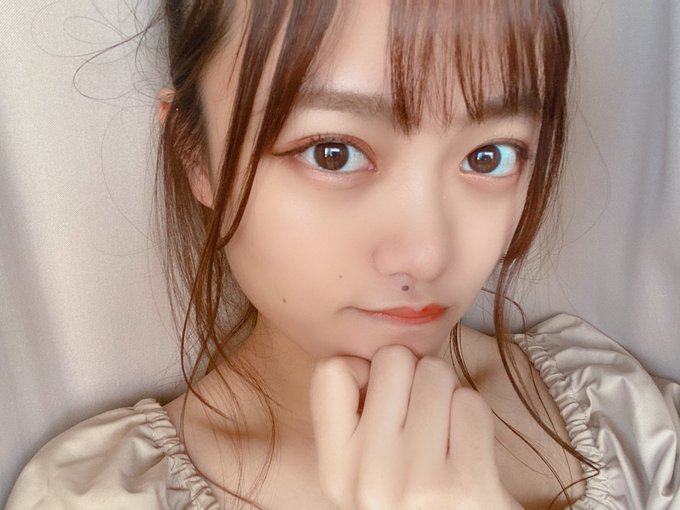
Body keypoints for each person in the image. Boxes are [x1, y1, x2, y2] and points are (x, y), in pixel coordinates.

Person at [6, 0, 680, 509]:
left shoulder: (626, 422)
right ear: (195, 153)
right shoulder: (99, 496)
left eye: (489, 156)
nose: (425, 254)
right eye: (333, 153)